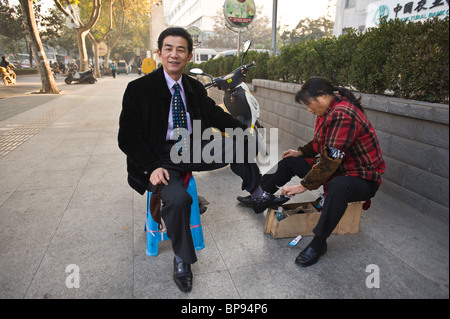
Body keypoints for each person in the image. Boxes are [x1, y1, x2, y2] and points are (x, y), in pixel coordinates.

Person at [118, 27, 287, 293]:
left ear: (189, 55)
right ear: (160, 52)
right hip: (159, 157)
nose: (174, 55)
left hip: (191, 146)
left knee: (242, 142)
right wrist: (150, 168)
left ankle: (256, 193)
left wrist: (244, 131)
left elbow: (215, 116)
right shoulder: (138, 90)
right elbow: (127, 138)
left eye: (181, 50)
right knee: (177, 199)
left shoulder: (194, 88)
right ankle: (182, 259)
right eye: (169, 49)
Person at [238, 76, 385, 267]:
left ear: (322, 96)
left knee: (337, 186)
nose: (309, 109)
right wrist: (301, 152)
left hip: (362, 178)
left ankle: (319, 243)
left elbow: (330, 160)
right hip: (339, 169)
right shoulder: (330, 108)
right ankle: (260, 195)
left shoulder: (343, 114)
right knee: (290, 161)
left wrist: (303, 186)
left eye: (309, 104)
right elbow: (321, 142)